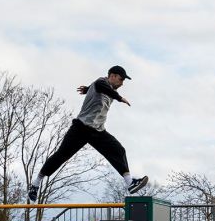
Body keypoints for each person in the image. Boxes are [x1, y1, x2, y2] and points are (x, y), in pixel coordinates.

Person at [28, 65, 148, 202]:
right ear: (112, 76)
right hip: (81, 129)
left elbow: (96, 86)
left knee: (118, 150)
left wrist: (87, 89)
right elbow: (101, 86)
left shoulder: (102, 86)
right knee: (62, 155)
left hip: (98, 131)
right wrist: (120, 98)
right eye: (120, 80)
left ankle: (130, 184)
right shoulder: (102, 83)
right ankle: (35, 184)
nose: (121, 84)